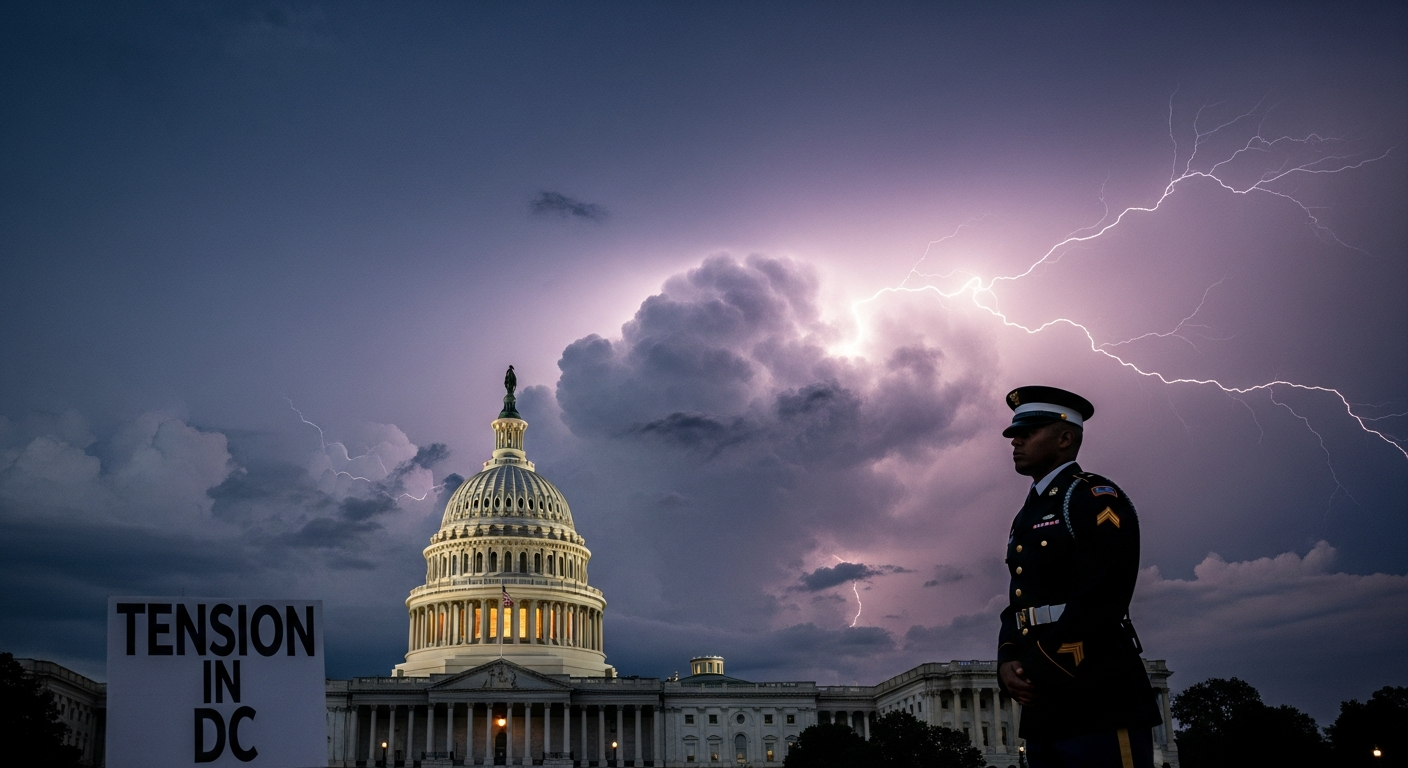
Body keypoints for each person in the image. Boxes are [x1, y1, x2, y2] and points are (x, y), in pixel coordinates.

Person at [996, 386, 1162, 768]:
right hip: (1043, 703)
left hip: (1096, 691)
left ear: (1065, 438)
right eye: (1014, 434)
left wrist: (1041, 663)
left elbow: (1107, 592)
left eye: (1028, 432)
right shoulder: (1028, 512)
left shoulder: (1093, 497)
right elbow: (1021, 600)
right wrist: (1008, 659)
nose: (1015, 441)